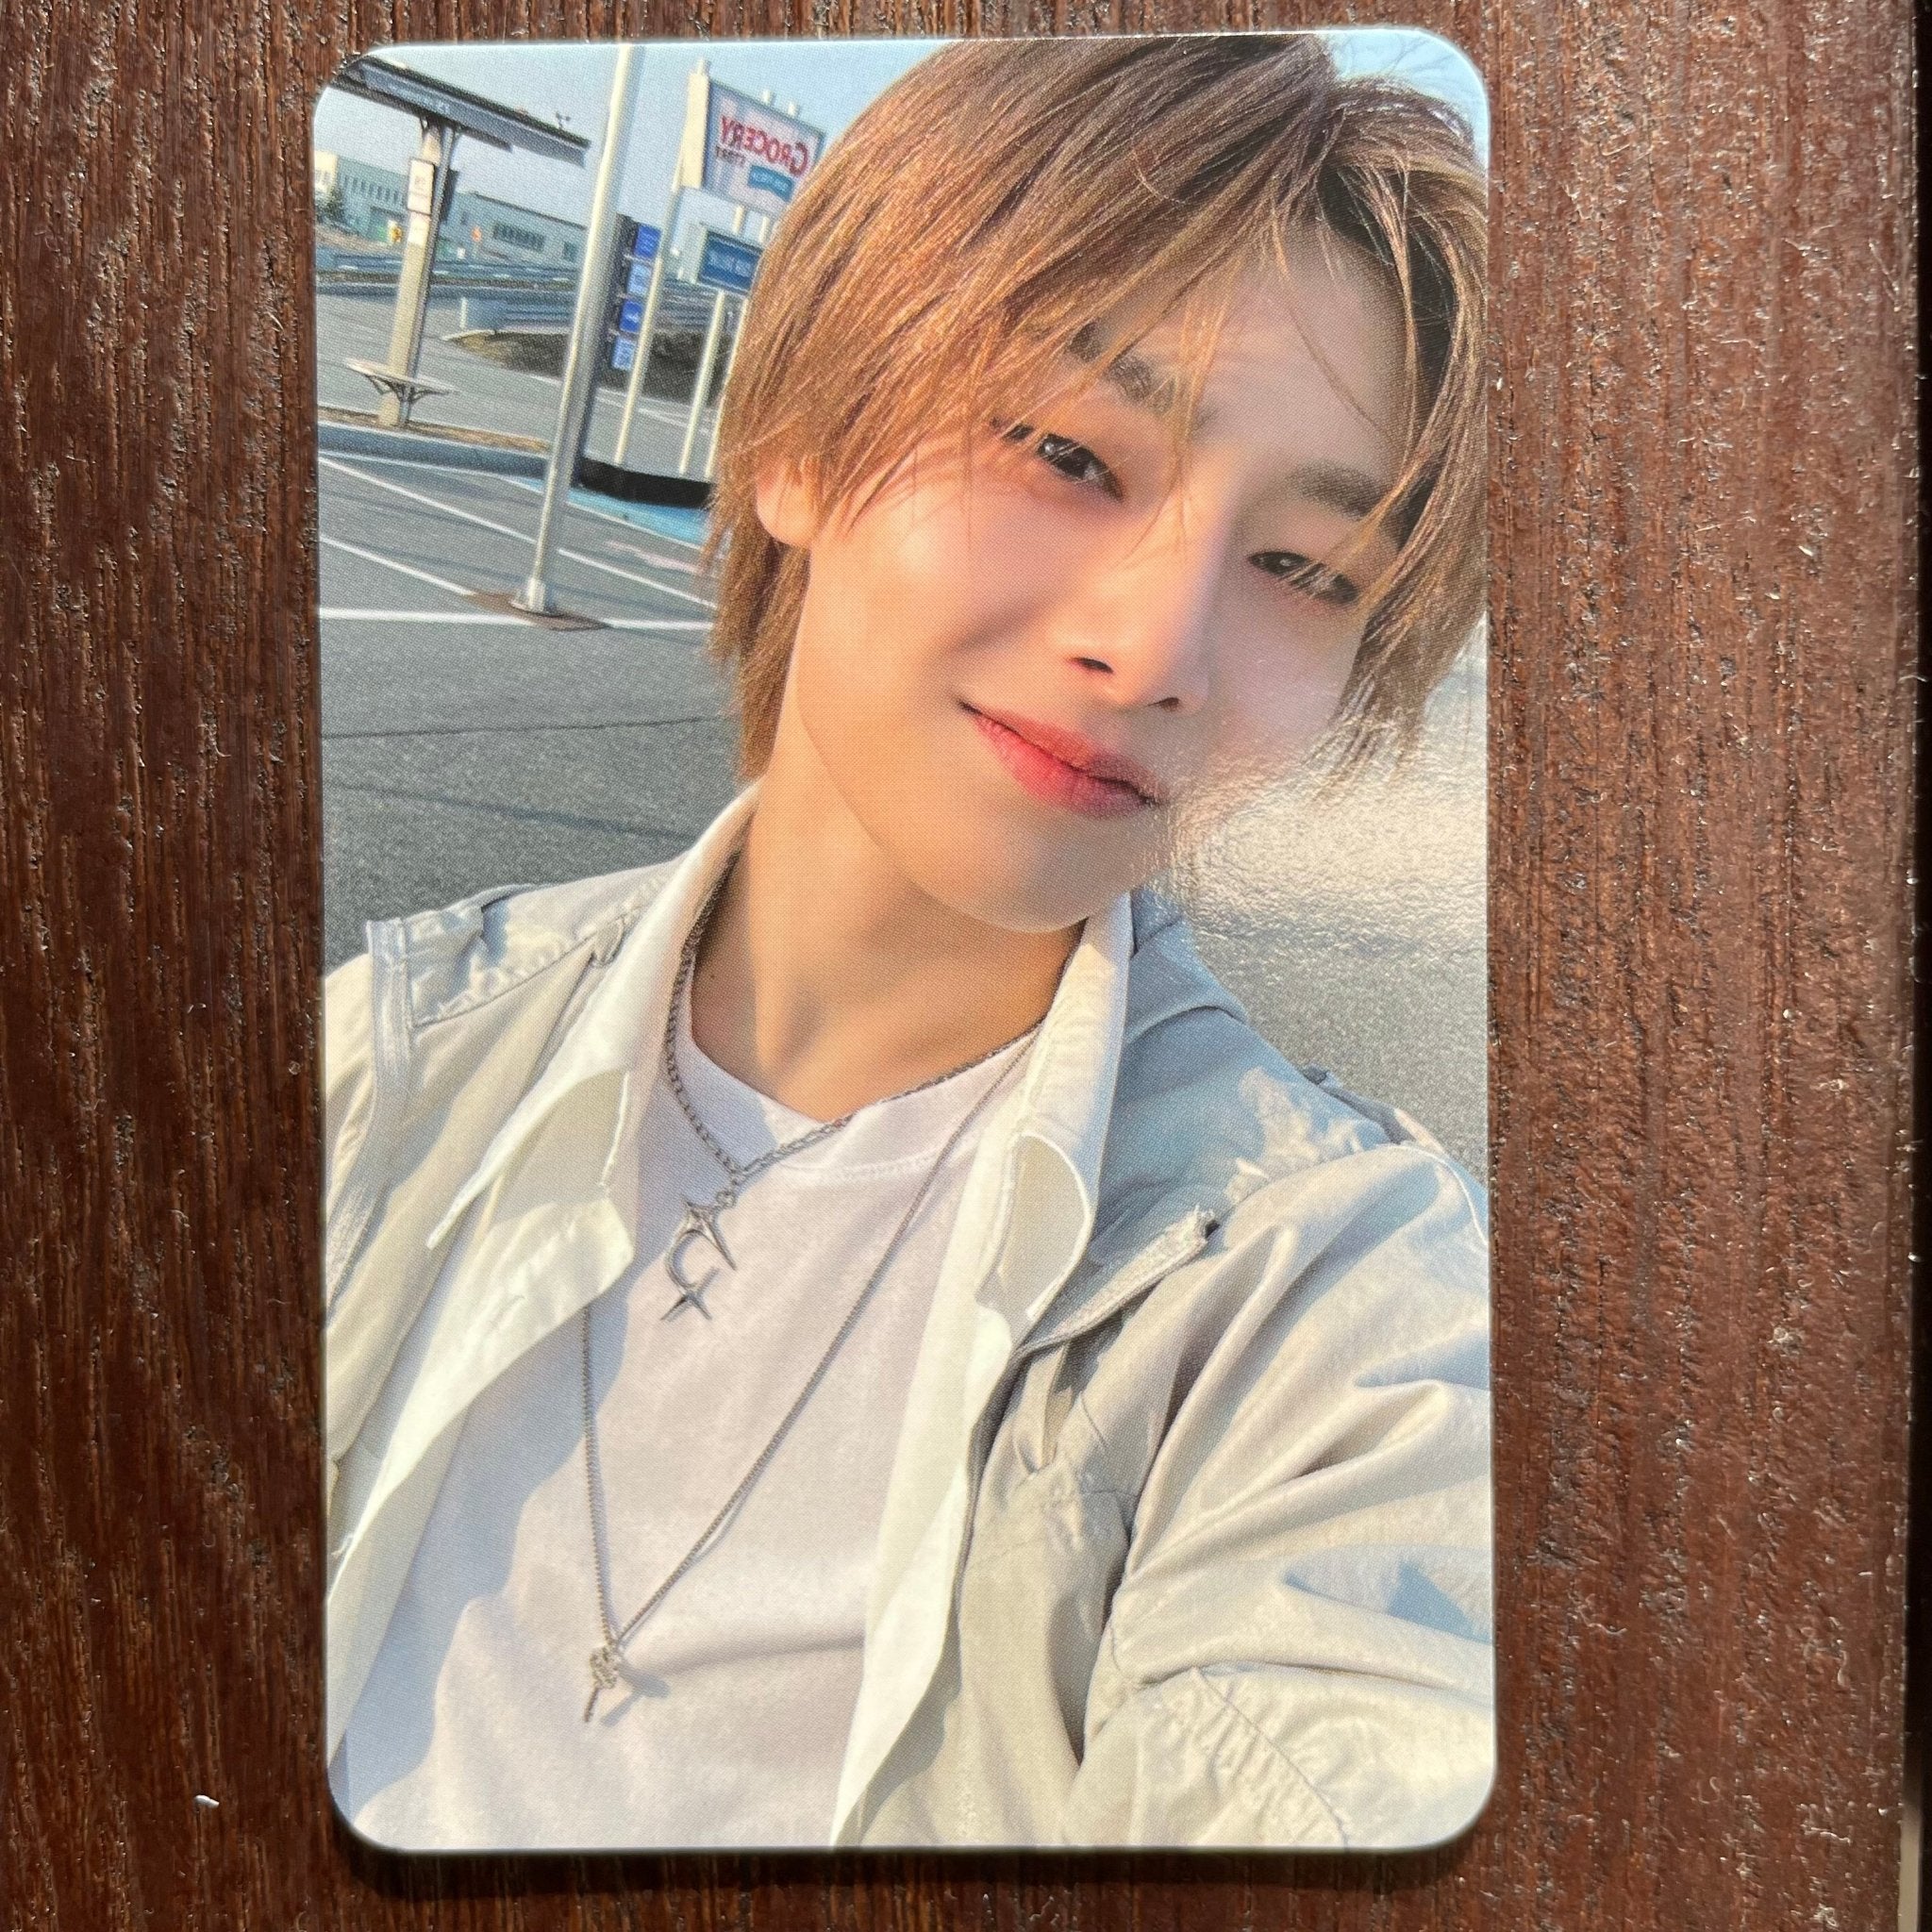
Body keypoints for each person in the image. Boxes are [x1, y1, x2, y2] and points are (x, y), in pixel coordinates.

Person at [323, 32, 1491, 1852]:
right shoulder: (374, 1060)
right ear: (796, 437)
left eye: (1305, 570)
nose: (1157, 648)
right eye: (1069, 452)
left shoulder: (1331, 1307)